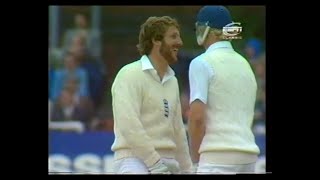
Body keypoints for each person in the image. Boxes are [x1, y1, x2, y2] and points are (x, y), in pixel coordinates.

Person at [111, 16, 193, 174]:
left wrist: (188, 170)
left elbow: (178, 132)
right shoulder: (129, 74)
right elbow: (129, 125)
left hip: (168, 163)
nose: (180, 42)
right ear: (156, 40)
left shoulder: (172, 80)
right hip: (134, 161)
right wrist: (154, 163)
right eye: (173, 36)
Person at [188, 6, 260, 174]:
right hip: (248, 155)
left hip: (217, 157)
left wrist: (195, 161)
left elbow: (197, 118)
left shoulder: (201, 62)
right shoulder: (245, 64)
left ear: (208, 31)